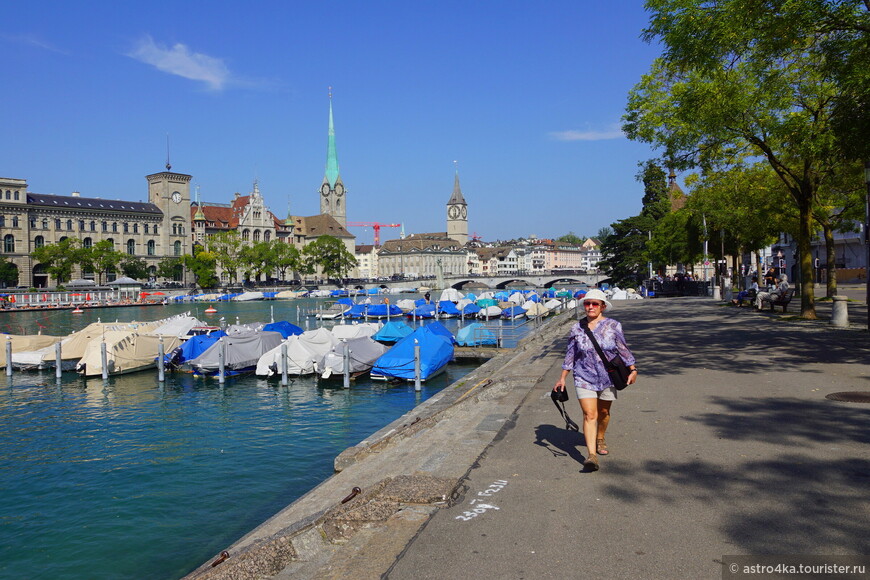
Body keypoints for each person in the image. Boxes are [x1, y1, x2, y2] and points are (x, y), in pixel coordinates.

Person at [553, 289, 637, 472]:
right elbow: (570, 355)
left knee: (604, 412)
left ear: (603, 307)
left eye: (595, 304)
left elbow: (622, 349)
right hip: (584, 376)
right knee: (590, 414)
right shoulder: (576, 328)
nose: (590, 307)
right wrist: (562, 378)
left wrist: (633, 369)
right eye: (587, 303)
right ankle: (592, 456)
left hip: (609, 376)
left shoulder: (613, 325)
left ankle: (600, 437)